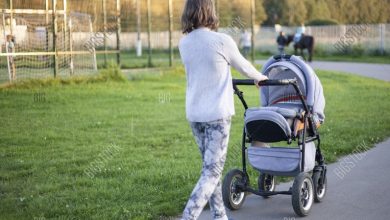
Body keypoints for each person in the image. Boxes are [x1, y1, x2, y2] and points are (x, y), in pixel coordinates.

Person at [178, 0, 268, 219]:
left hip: (195, 115)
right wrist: (260, 78)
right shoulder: (222, 41)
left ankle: (220, 215)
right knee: (212, 172)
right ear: (210, 12)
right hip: (217, 115)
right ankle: (188, 216)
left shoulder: (184, 43)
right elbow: (244, 66)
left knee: (210, 170)